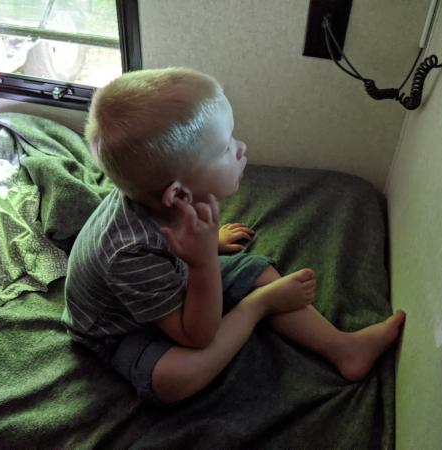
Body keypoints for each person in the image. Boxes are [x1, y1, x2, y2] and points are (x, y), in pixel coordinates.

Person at [62, 67, 406, 405]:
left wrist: (209, 246)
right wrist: (247, 296)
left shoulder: (170, 199)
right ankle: (259, 304)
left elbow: (178, 257)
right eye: (225, 148)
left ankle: (343, 349)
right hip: (121, 329)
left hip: (169, 278)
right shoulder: (130, 255)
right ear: (179, 195)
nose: (241, 148)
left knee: (255, 269)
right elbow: (197, 336)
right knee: (172, 379)